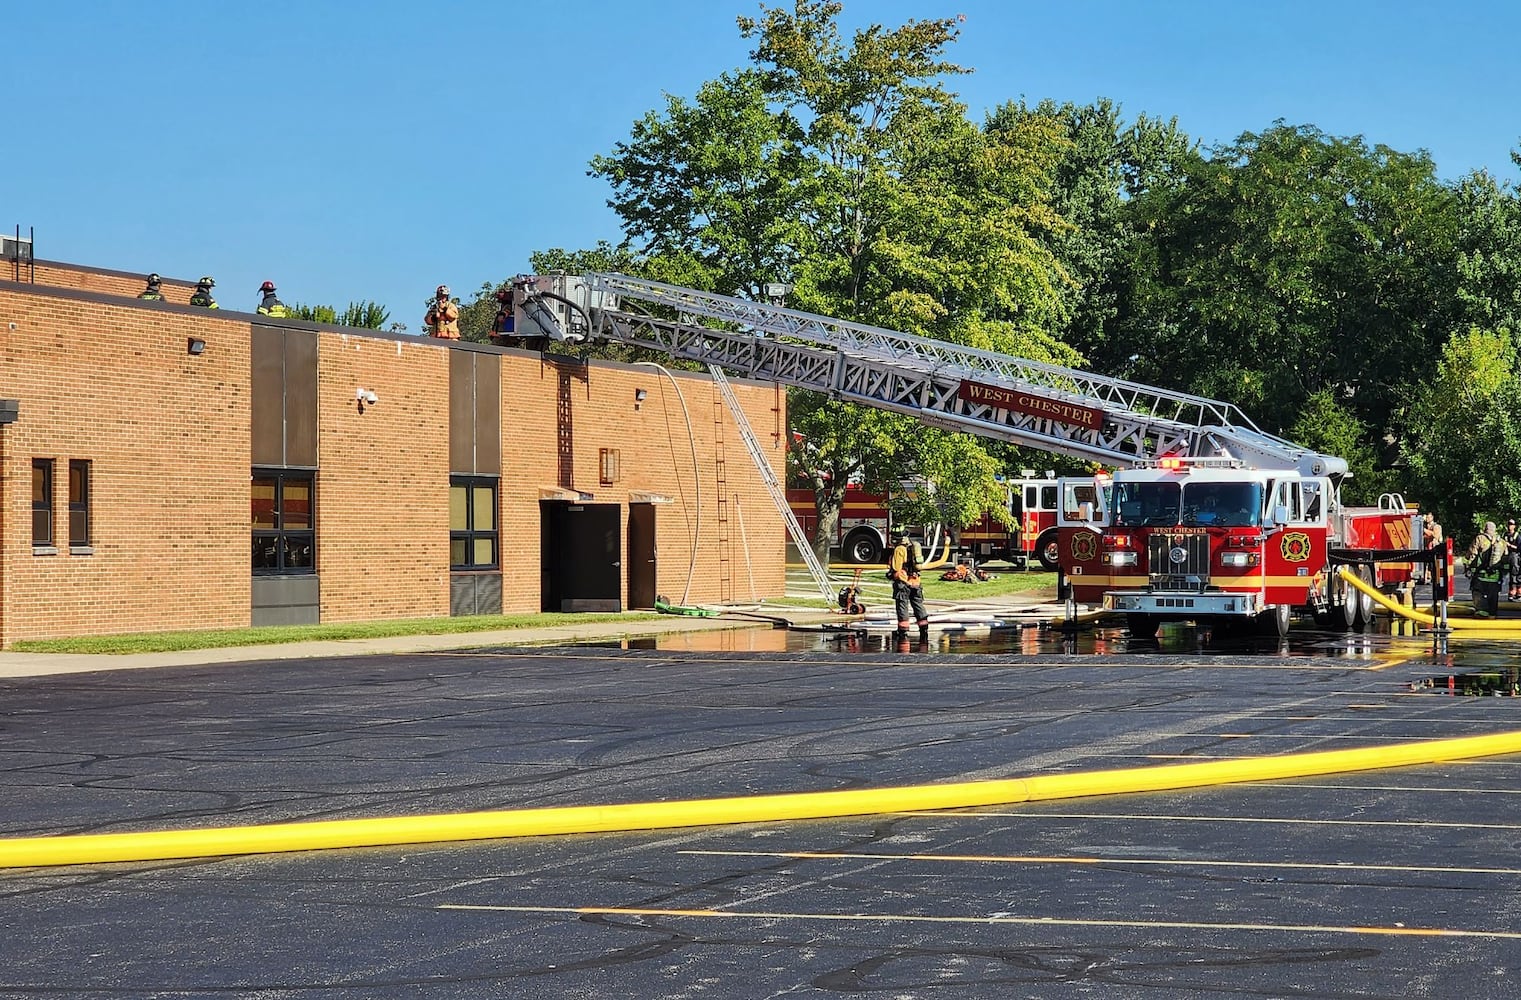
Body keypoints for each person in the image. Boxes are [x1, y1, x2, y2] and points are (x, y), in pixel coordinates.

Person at [888, 529, 929, 639]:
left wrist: (891, 575)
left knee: (902, 606)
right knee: (918, 605)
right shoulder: (912, 547)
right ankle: (924, 630)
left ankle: (903, 632)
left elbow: (897, 568)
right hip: (916, 582)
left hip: (903, 582)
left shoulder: (899, 549)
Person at [1467, 521, 1507, 618]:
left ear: (1485, 529)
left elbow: (1472, 555)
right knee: (1493, 599)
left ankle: (1481, 614)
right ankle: (1492, 617)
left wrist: (1469, 568)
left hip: (1481, 577)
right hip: (1496, 577)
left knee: (1478, 594)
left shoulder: (1480, 539)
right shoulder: (1502, 542)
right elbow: (1506, 559)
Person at [1505, 519, 1521, 601]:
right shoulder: (1505, 535)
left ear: (1514, 526)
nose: (1509, 526)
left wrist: (1510, 545)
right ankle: (1512, 593)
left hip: (1515, 556)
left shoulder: (1517, 536)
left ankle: (1517, 593)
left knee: (1515, 574)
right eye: (1508, 524)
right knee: (1510, 576)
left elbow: (1519, 548)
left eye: (1511, 524)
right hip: (1507, 557)